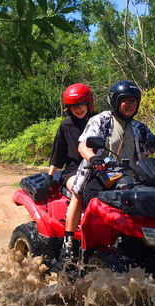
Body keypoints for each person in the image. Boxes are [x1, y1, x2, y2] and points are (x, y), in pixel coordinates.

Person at [60, 80, 155, 262]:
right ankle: (68, 243)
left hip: (132, 177)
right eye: (126, 100)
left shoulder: (139, 127)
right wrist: (93, 158)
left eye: (134, 101)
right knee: (79, 194)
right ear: (115, 101)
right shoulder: (101, 120)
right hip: (100, 173)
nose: (131, 105)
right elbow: (83, 145)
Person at [45, 83, 96, 231]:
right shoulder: (65, 126)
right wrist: (50, 176)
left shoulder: (99, 120)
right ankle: (69, 238)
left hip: (98, 168)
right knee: (80, 189)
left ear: (89, 104)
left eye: (81, 105)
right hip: (74, 171)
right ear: (68, 108)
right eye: (74, 107)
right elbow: (57, 154)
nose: (78, 109)